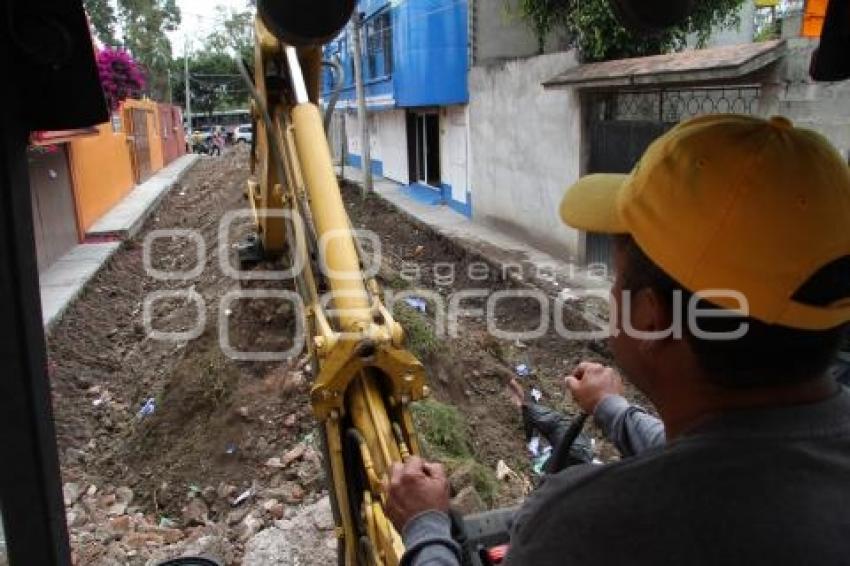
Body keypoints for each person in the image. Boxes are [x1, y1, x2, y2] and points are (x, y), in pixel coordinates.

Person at [386, 114, 850, 565]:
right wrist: (613, 409)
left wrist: (426, 527)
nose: (609, 296)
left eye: (615, 279)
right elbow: (736, 457)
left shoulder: (586, 529)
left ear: (651, 319)